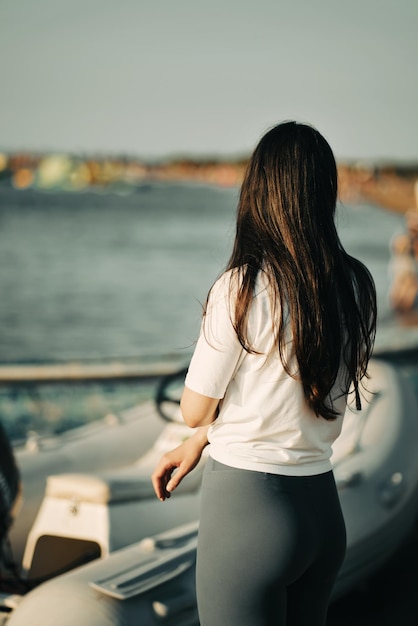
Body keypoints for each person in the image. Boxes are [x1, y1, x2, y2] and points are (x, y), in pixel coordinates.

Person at [152, 121, 377, 626]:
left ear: (259, 192)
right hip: (322, 510)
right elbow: (294, 394)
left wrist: (200, 431)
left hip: (247, 512)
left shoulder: (241, 287)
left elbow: (193, 409)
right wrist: (202, 442)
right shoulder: (355, 285)